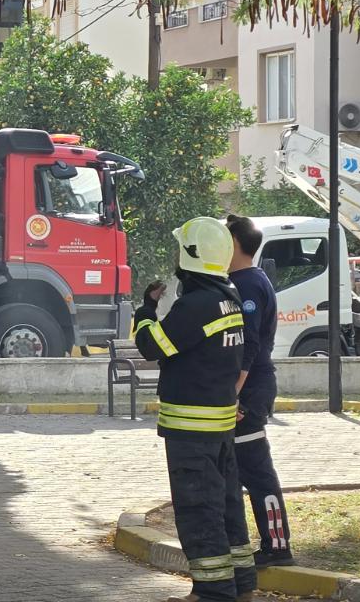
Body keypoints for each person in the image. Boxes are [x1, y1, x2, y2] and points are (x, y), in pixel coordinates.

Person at [135, 217, 256, 602]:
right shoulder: (229, 297)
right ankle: (241, 585)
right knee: (227, 507)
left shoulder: (196, 305)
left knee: (198, 511)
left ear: (190, 256)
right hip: (219, 425)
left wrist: (144, 312)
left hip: (192, 430)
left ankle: (212, 591)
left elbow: (155, 346)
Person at [226, 215, 295, 567]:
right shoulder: (244, 279)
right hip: (248, 386)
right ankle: (262, 546)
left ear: (236, 242)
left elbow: (248, 343)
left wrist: (234, 391)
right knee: (240, 469)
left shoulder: (248, 283)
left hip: (250, 388)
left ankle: (278, 547)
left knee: (256, 470)